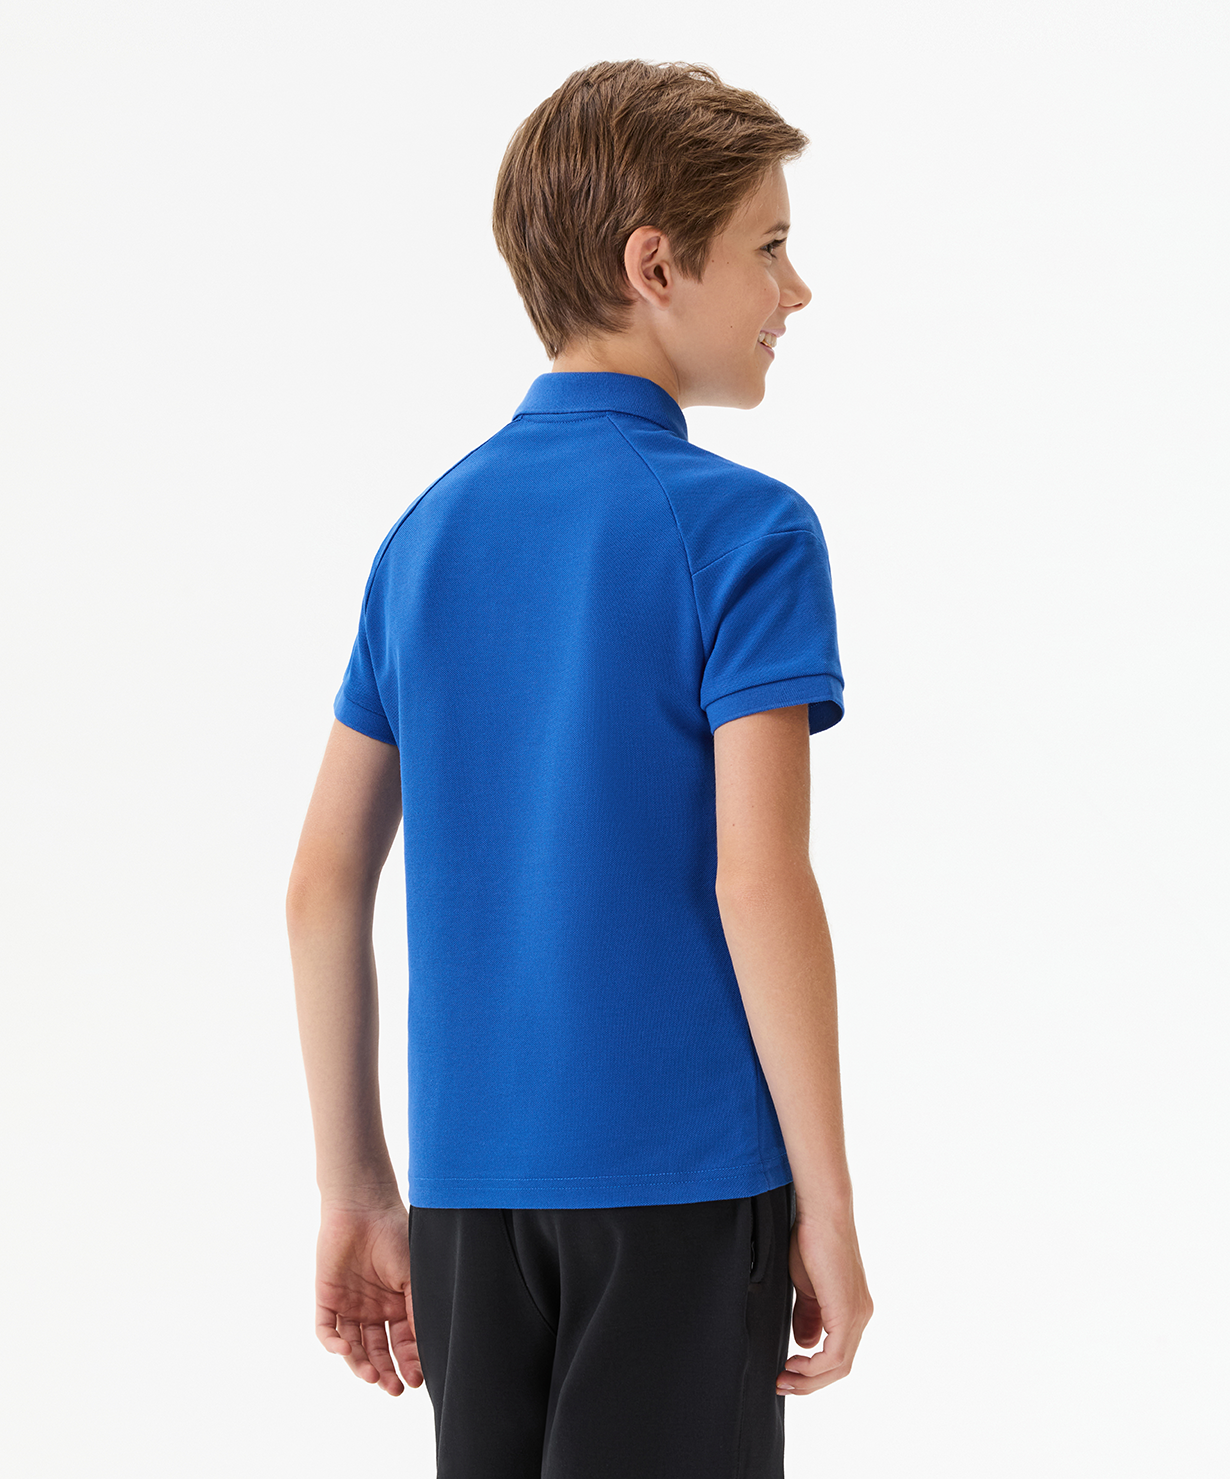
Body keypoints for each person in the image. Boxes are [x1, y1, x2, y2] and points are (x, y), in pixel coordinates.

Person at [286, 58, 873, 1478]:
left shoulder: (425, 535)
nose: (795, 292)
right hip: (682, 1184)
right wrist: (829, 1203)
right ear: (655, 267)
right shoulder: (747, 534)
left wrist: (357, 1186)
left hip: (466, 1200)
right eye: (769, 247)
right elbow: (757, 881)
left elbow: (320, 885)